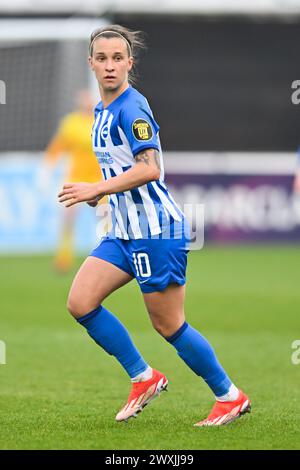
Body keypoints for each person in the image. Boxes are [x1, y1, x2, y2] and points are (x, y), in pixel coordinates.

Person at [58, 25, 251, 426]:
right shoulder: (100, 111)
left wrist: (97, 186)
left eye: (118, 58)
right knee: (80, 302)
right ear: (91, 63)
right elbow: (119, 167)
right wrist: (100, 194)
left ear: (129, 63)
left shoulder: (132, 108)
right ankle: (144, 377)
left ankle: (229, 395)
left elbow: (150, 169)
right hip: (122, 232)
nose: (110, 66)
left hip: (156, 231)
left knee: (168, 324)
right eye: (102, 58)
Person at [44, 89, 102, 272]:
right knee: (68, 219)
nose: (86, 103)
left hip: (98, 179)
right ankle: (64, 258)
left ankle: (108, 259)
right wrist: (47, 169)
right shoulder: (71, 123)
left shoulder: (101, 121)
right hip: (76, 178)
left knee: (105, 220)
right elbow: (58, 147)